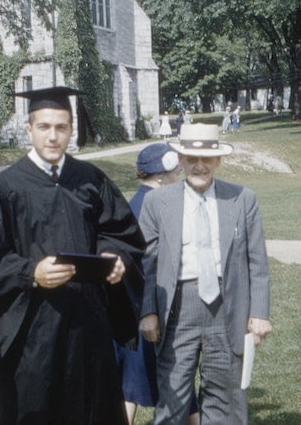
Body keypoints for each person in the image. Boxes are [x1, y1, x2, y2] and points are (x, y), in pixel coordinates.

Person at [0, 86, 145, 425]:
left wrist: (115, 257)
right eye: (44, 127)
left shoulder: (91, 179)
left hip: (87, 328)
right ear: (29, 128)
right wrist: (31, 273)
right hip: (33, 331)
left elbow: (121, 232)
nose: (53, 136)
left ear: (71, 129)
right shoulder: (4, 188)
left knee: (92, 408)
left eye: (61, 127)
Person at [138, 123, 272, 424]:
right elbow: (146, 263)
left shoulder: (241, 199)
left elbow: (257, 261)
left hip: (227, 306)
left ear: (218, 160)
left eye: (207, 159)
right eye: (191, 159)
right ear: (180, 160)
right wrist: (148, 311)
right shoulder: (157, 202)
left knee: (227, 397)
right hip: (177, 307)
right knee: (172, 399)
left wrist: (260, 313)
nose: (199, 166)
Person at [117, 143, 199, 425]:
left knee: (129, 384)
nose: (179, 176)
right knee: (178, 376)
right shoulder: (159, 207)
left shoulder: (130, 205)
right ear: (162, 176)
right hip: (157, 308)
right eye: (176, 171)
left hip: (129, 309)